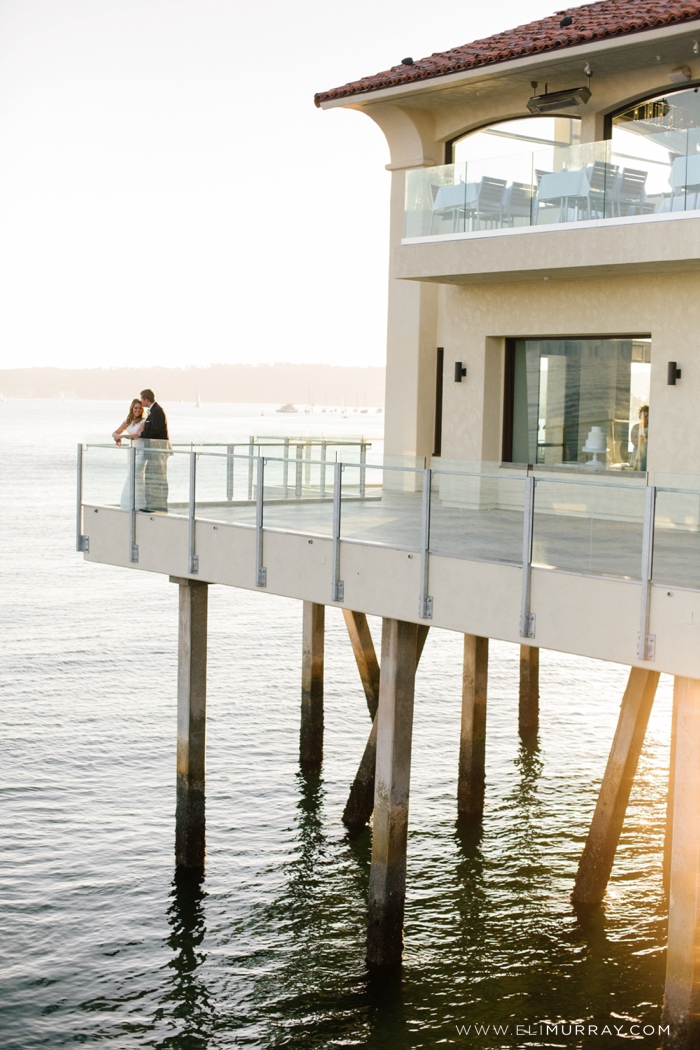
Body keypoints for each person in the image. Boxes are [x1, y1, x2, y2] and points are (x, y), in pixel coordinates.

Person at [139, 388, 170, 511]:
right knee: (153, 476)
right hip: (154, 450)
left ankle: (157, 505)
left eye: (142, 399)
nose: (141, 401)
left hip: (158, 450)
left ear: (146, 399)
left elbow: (156, 430)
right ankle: (154, 505)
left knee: (156, 477)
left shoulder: (157, 411)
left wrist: (142, 434)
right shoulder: (153, 411)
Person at [113, 398, 146, 510]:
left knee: (137, 473)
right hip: (131, 450)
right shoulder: (128, 421)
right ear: (132, 408)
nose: (138, 410)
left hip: (141, 450)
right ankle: (129, 501)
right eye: (136, 408)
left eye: (140, 408)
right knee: (131, 474)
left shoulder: (143, 421)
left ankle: (140, 503)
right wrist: (116, 437)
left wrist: (122, 436)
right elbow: (115, 432)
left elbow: (138, 435)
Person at [631, 404, 648, 471]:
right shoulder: (636, 427)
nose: (647, 418)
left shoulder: (653, 428)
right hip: (638, 454)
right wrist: (644, 436)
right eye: (645, 416)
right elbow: (634, 441)